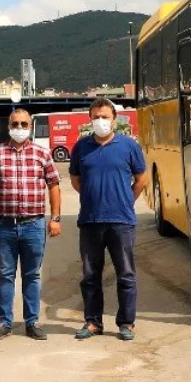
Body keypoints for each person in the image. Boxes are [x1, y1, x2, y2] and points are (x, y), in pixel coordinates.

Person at [0, 108, 62, 342]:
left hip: (33, 225)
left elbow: (53, 185)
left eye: (24, 124)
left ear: (30, 127)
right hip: (4, 225)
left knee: (32, 275)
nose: (19, 128)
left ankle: (32, 322)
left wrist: (55, 218)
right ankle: (4, 322)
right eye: (15, 124)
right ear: (8, 126)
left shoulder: (42, 154)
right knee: (5, 274)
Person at [69, 98, 146, 341]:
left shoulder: (128, 146)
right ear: (89, 119)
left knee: (125, 273)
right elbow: (76, 180)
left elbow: (141, 178)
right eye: (96, 117)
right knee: (91, 275)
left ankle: (126, 323)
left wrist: (125, 199)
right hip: (90, 220)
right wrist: (94, 197)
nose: (100, 121)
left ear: (114, 119)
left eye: (105, 117)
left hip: (121, 221)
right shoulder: (81, 147)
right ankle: (93, 322)